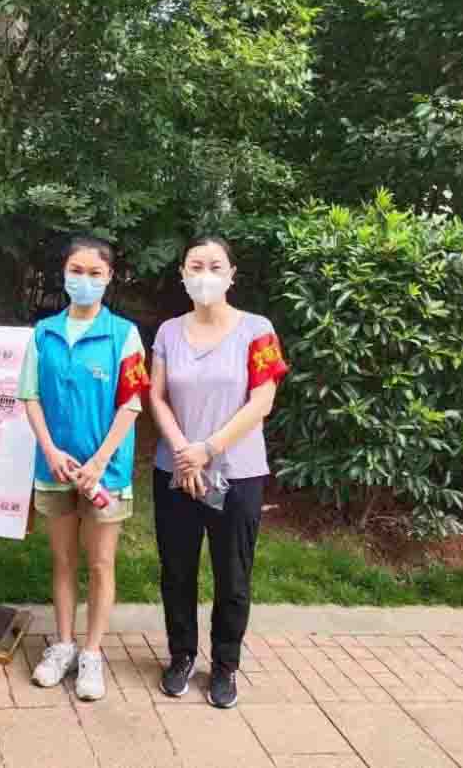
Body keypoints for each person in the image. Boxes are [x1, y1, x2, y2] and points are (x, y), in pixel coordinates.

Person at [149, 236, 288, 709]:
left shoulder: (258, 330)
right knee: (177, 570)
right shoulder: (168, 332)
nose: (204, 275)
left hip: (237, 473)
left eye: (214, 266)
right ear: (182, 274)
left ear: (231, 275)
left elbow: (262, 400)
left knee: (233, 574)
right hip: (175, 470)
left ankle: (225, 664)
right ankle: (181, 655)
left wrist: (208, 450)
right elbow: (156, 397)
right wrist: (184, 452)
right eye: (195, 266)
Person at [18, 235, 149, 701]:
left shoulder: (124, 335)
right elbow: (30, 396)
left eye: (95, 273)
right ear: (64, 273)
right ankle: (63, 644)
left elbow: (131, 404)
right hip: (55, 467)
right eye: (77, 271)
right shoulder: (43, 333)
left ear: (110, 278)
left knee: (100, 562)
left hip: (104, 474)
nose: (85, 280)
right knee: (63, 560)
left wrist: (98, 462)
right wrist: (51, 451)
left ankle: (92, 653)